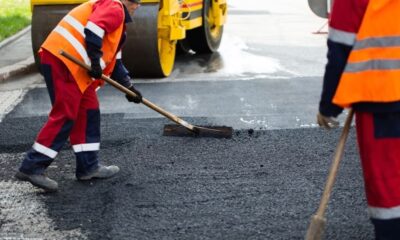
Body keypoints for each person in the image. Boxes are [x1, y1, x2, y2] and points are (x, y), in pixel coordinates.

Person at [15, 0, 143, 192]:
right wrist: (94, 61)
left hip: (77, 68)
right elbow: (93, 28)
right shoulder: (114, 7)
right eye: (135, 1)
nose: (138, 5)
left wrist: (130, 88)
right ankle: (32, 167)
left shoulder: (118, 26)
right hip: (65, 61)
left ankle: (88, 167)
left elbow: (115, 62)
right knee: (66, 114)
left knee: (89, 112)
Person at [317, 0, 400, 238]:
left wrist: (328, 106)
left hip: (383, 102)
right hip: (384, 99)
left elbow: (341, 48)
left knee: (389, 190)